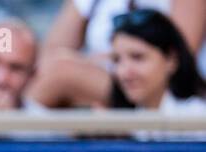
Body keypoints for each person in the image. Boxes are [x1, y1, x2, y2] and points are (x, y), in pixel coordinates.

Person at [27, 0, 205, 108]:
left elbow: (180, 58)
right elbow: (49, 53)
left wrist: (115, 60)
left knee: (61, 73)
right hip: (111, 81)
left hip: (159, 90)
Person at [109, 8, 206, 138]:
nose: (124, 72)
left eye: (137, 57)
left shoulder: (197, 117)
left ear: (171, 60)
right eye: (117, 60)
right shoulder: (120, 124)